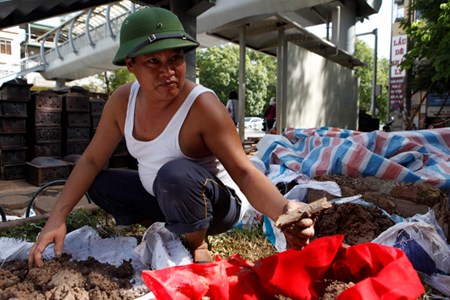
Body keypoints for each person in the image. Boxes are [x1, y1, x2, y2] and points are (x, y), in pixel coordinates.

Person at [28, 7, 314, 267]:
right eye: (153, 61)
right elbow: (91, 160)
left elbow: (243, 170)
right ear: (131, 65)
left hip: (216, 207)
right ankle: (168, 227)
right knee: (100, 183)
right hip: (163, 196)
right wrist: (57, 217)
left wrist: (284, 211)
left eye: (175, 58)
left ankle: (197, 242)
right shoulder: (122, 102)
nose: (168, 72)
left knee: (174, 174)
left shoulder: (202, 106)